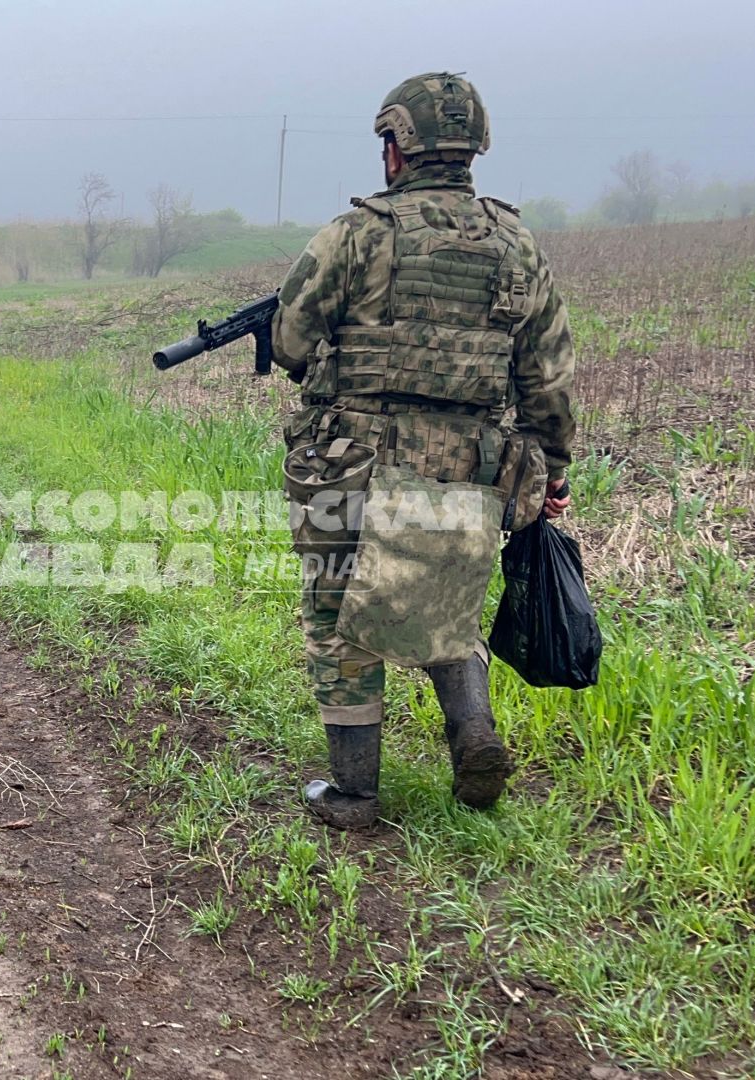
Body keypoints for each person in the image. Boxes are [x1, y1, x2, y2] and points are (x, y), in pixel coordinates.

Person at [271, 73, 576, 829]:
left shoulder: (355, 235)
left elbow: (291, 342)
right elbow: (549, 376)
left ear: (395, 148)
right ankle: (472, 733)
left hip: (353, 461)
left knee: (339, 614)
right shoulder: (517, 245)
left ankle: (354, 793)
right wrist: (553, 473)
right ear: (473, 149)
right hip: (469, 464)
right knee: (447, 604)